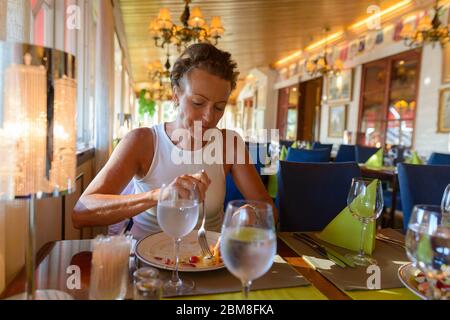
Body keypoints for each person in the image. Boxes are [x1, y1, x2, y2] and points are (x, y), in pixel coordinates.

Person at [73, 43, 277, 239]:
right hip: (148, 266)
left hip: (208, 263)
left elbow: (269, 211)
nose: (209, 117)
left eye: (219, 107)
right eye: (198, 102)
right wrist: (157, 195)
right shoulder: (142, 141)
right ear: (176, 95)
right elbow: (81, 213)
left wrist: (251, 214)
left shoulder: (229, 143)